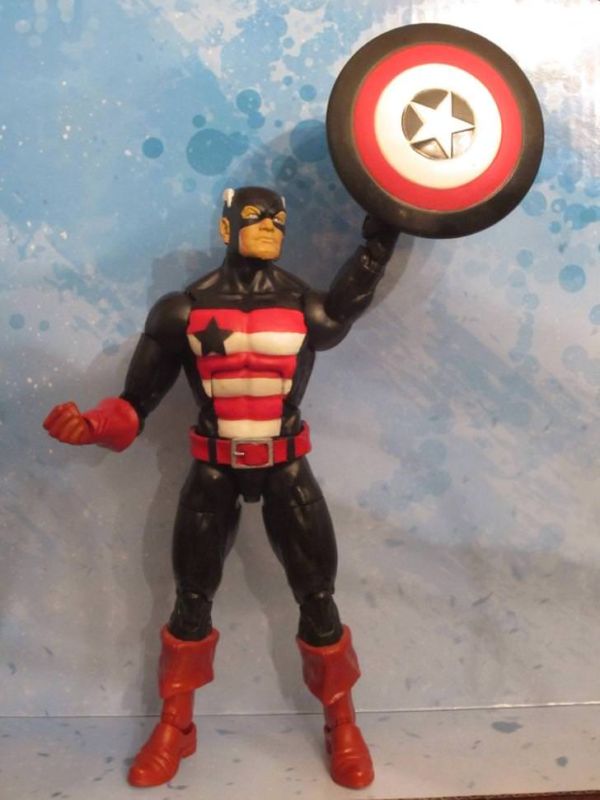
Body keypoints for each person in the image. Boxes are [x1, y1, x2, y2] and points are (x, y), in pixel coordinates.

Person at [43, 186, 398, 790]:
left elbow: (349, 301)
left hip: (286, 466)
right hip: (213, 469)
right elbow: (136, 402)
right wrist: (94, 426)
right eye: (256, 217)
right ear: (227, 225)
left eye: (278, 219)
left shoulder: (304, 306)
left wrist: (382, 239)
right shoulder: (181, 311)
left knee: (318, 599)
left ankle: (342, 724)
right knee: (191, 600)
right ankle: (175, 726)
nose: (270, 226)